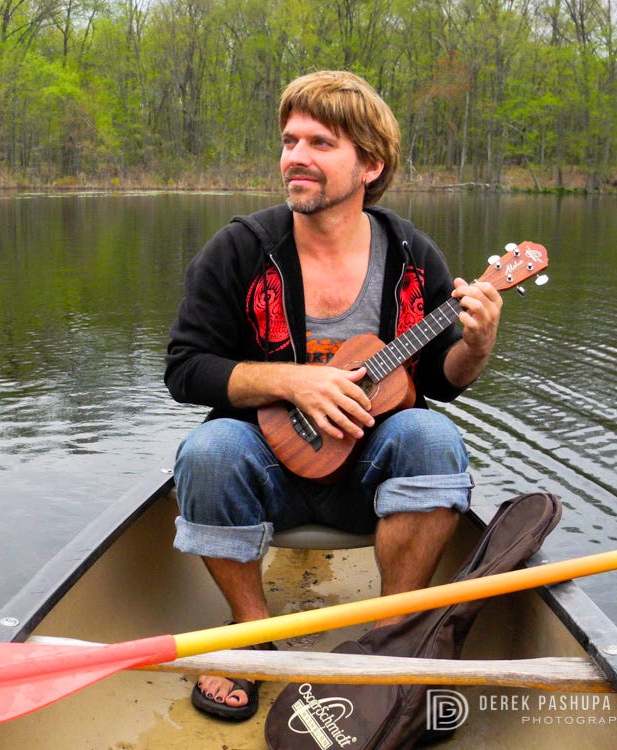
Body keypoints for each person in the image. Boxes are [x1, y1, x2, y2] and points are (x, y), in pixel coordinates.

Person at [164, 70, 503, 722]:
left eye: (320, 143)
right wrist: (291, 379)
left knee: (433, 436)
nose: (296, 156)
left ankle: (394, 635)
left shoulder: (410, 256)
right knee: (207, 449)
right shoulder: (241, 249)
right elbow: (186, 369)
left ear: (370, 164)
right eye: (290, 140)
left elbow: (437, 380)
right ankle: (248, 632)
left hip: (370, 481)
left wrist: (476, 347)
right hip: (264, 466)